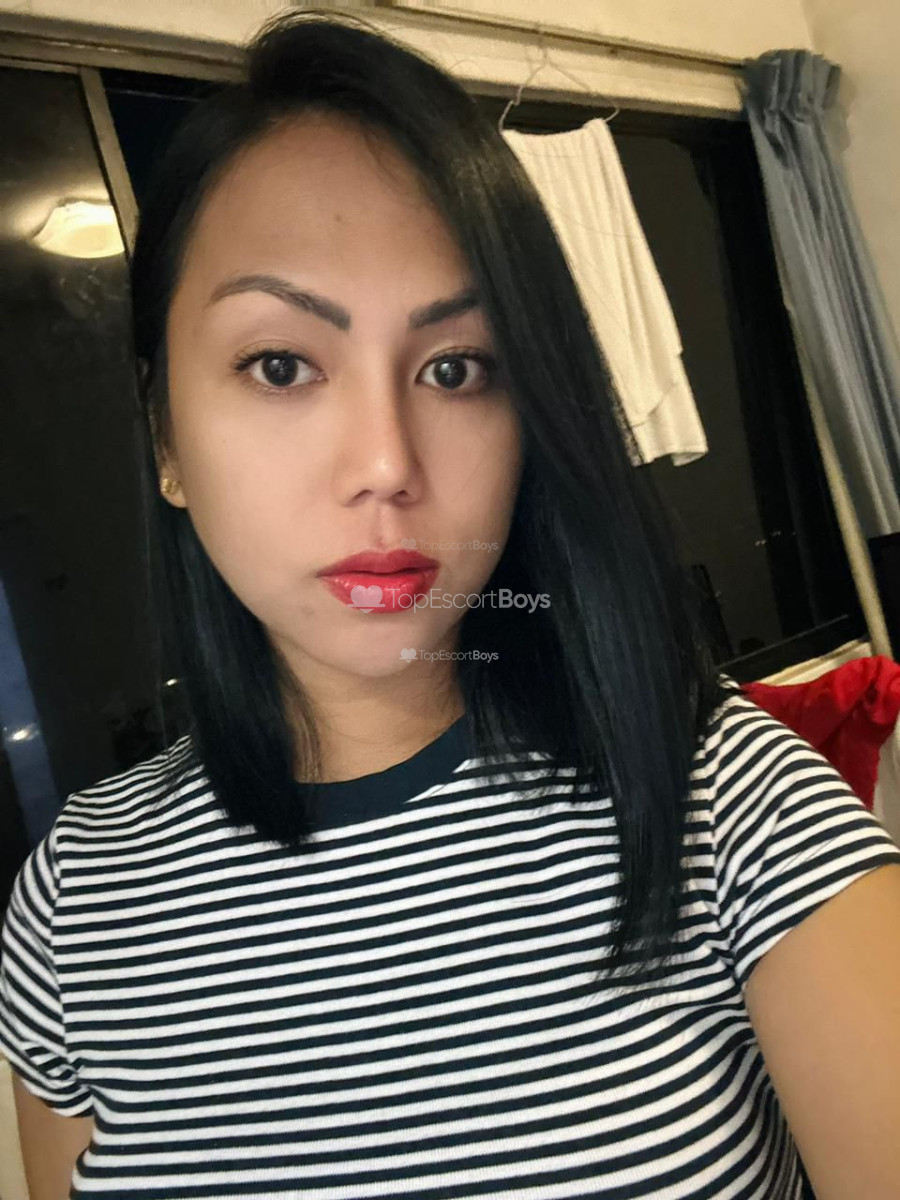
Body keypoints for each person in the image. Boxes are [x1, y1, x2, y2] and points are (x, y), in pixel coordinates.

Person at [2, 10, 900, 1200]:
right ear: (167, 434)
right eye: (281, 365)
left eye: (455, 369)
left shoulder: (723, 803)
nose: (386, 462)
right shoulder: (77, 901)